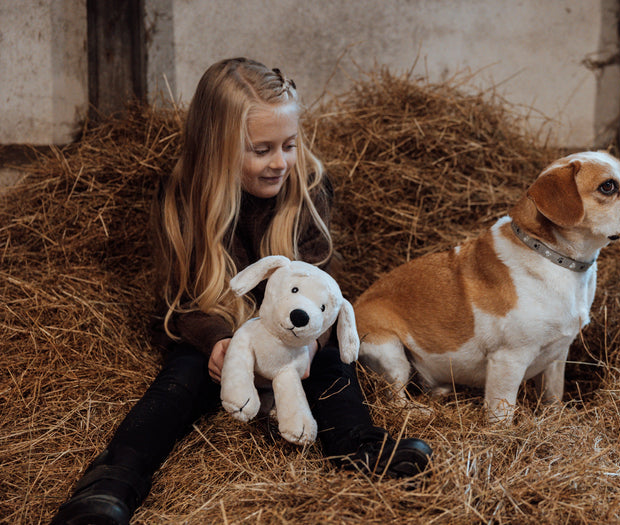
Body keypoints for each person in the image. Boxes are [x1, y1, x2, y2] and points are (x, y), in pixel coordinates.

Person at [51, 57, 432, 524]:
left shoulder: (308, 185)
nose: (280, 162)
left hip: (293, 339)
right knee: (178, 381)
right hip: (220, 335)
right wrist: (217, 342)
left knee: (335, 365)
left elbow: (319, 287)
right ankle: (111, 483)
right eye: (261, 149)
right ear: (218, 148)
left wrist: (311, 342)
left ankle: (363, 450)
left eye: (289, 145)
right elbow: (183, 296)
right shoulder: (183, 196)